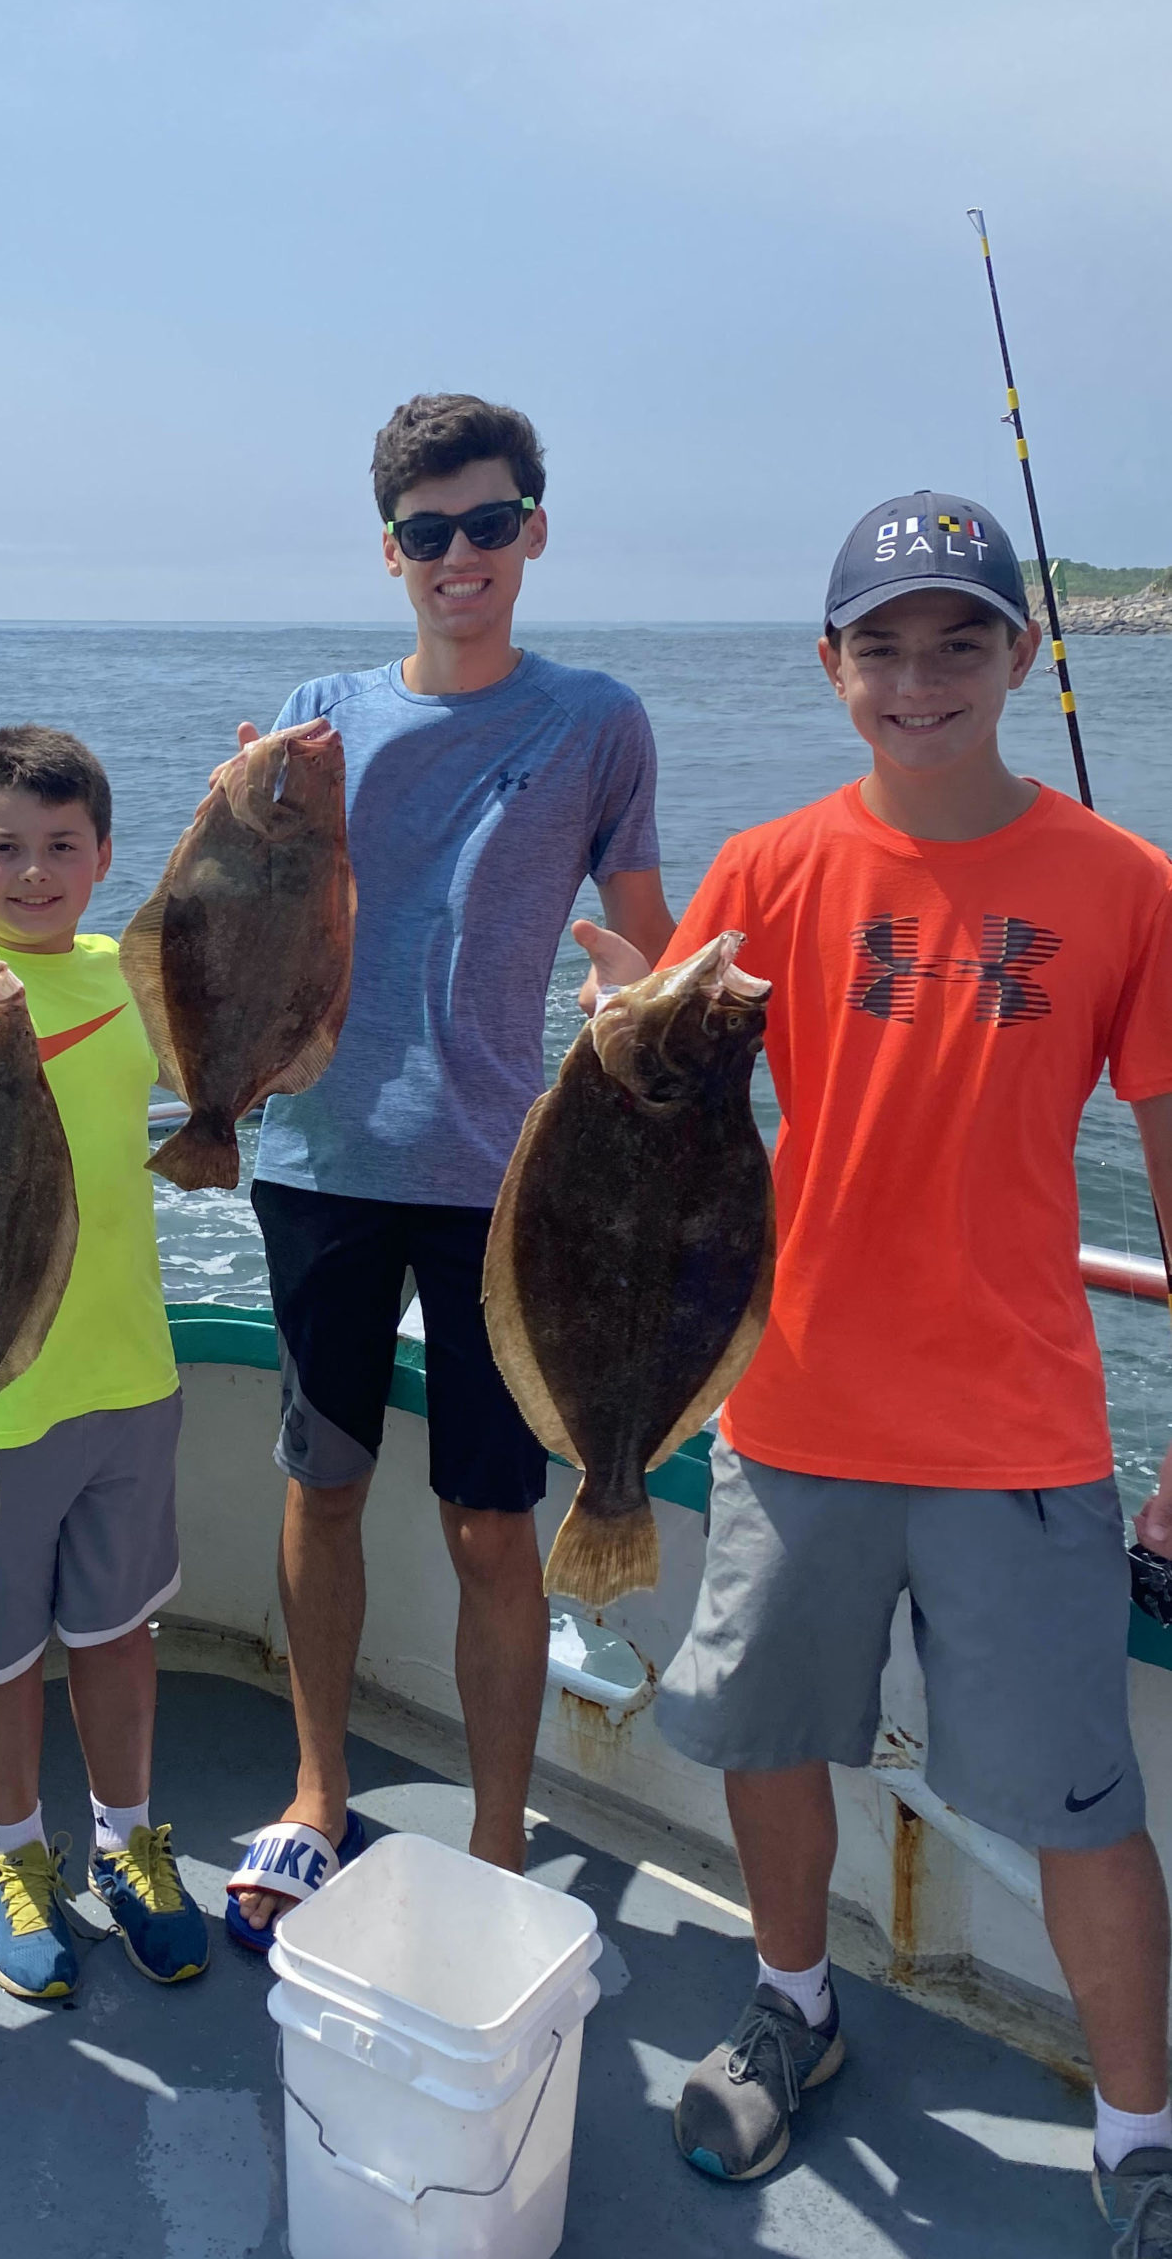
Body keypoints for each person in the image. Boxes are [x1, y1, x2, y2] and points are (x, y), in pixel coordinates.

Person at [578, 493, 1172, 2252]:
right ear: (829, 666)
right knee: (766, 1739)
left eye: (957, 640)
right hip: (791, 1411)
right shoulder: (768, 869)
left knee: (1080, 1804)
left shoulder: (1125, 886)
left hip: (1020, 1434)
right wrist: (614, 1023)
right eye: (882, 646)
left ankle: (1136, 2129)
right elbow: (659, 1107)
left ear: (1020, 655)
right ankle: (792, 2003)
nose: (919, 679)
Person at [222, 393, 676, 1945]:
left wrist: (640, 996)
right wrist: (227, 830)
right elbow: (241, 912)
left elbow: (643, 939)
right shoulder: (317, 717)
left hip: (502, 1185)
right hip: (319, 1157)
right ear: (390, 552)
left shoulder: (598, 719)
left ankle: (493, 1839)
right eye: (428, 532)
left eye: (487, 523)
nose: (458, 555)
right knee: (322, 1485)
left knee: (490, 1523)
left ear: (532, 530)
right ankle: (312, 1793)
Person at [0, 724, 210, 2004]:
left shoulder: (131, 977)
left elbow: (249, 1007)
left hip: (129, 1374)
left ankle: (128, 1841)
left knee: (118, 1632)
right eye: (1, 847)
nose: (30, 872)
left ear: (104, 858)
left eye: (60, 846)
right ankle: (14, 1854)